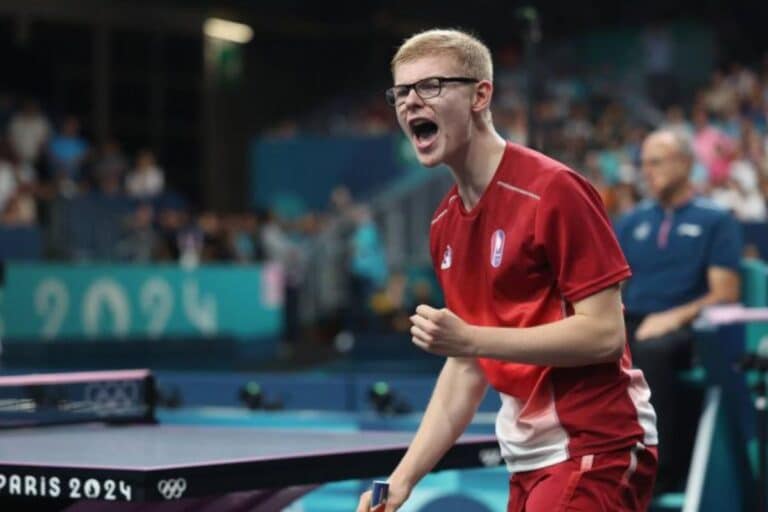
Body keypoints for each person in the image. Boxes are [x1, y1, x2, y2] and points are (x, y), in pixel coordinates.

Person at [357, 29, 658, 512]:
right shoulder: (443, 224)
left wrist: (472, 339)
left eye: (430, 86)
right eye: (401, 92)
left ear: (481, 95)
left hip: (593, 444)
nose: (411, 102)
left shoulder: (554, 190)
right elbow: (466, 366)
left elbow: (603, 334)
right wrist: (402, 480)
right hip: (524, 457)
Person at [615, 129, 742, 495]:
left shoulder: (714, 220)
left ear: (686, 164)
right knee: (583, 346)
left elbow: (724, 293)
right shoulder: (632, 220)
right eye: (643, 164)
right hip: (635, 320)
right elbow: (610, 284)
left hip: (688, 328)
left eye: (656, 162)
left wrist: (671, 317)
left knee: (652, 350)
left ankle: (658, 475)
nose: (647, 172)